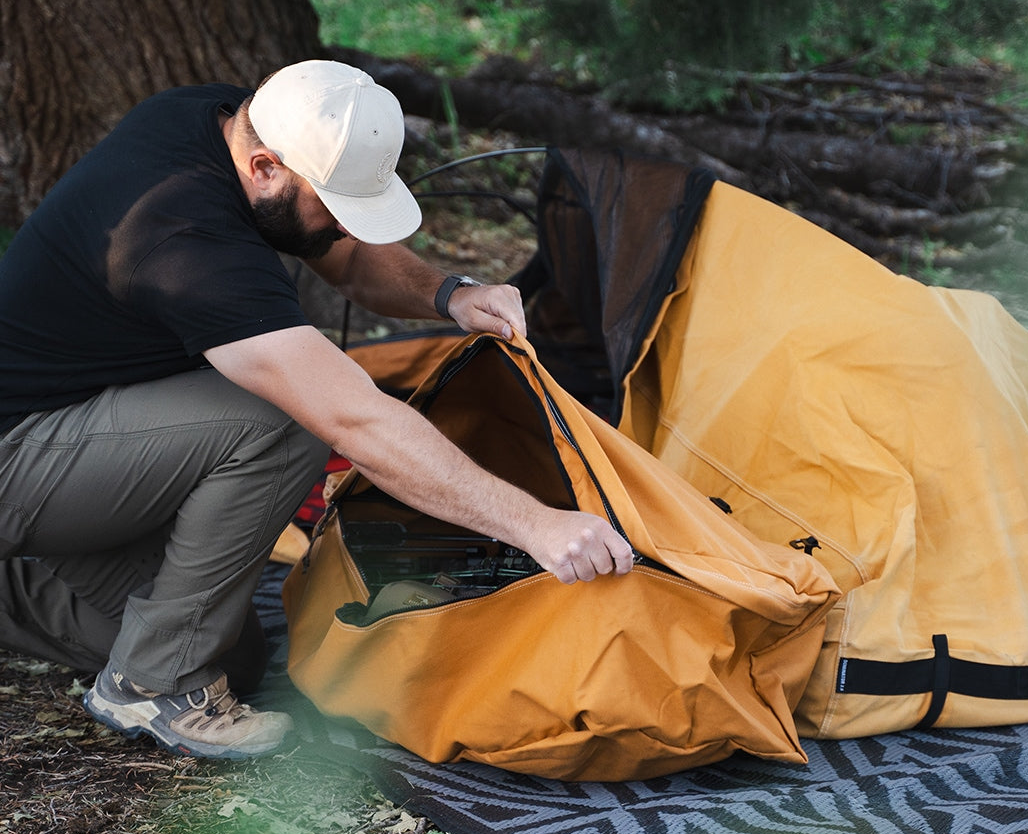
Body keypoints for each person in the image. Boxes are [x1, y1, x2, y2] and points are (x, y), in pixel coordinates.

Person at [0, 59, 634, 760]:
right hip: (21, 453)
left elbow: (347, 256)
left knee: (231, 656)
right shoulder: (184, 242)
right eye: (333, 205)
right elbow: (352, 420)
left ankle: (82, 626)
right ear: (266, 166)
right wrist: (537, 526)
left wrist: (449, 293)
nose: (341, 226)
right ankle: (151, 687)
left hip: (85, 437)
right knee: (281, 419)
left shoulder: (225, 122)